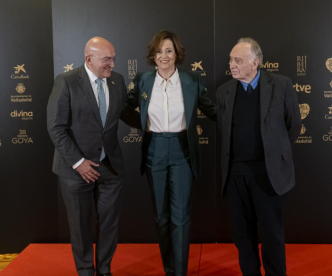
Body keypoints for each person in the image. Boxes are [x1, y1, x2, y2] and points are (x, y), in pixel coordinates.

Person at [47, 37, 140, 276]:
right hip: (75, 169)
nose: (112, 64)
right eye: (107, 59)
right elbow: (56, 127)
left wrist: (158, 123)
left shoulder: (117, 80)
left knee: (109, 223)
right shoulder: (66, 82)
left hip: (110, 167)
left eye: (114, 59)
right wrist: (78, 163)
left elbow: (125, 114)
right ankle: (86, 271)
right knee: (80, 226)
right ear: (89, 59)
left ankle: (105, 269)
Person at [127, 30, 216, 276]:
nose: (163, 56)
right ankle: (169, 270)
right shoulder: (143, 80)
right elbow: (125, 109)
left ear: (177, 54)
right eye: (159, 51)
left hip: (182, 152)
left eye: (168, 50)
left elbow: (213, 111)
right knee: (161, 217)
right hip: (153, 150)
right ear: (152, 56)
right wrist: (145, 123)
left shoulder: (192, 81)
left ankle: (180, 272)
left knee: (181, 217)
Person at [216, 38, 301, 276]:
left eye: (238, 60)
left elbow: (293, 125)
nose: (232, 65)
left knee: (272, 234)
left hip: (269, 173)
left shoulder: (281, 85)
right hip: (236, 175)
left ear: (255, 63)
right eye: (231, 60)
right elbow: (225, 130)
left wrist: (274, 153)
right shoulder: (223, 92)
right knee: (243, 236)